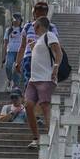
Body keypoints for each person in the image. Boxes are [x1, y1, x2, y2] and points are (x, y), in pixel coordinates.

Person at [24, 14, 62, 147]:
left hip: (46, 78)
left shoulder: (49, 35)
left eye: (34, 26)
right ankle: (36, 137)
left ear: (39, 25)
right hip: (33, 79)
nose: (33, 28)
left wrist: (56, 68)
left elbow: (59, 52)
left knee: (45, 106)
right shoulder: (40, 39)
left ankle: (51, 137)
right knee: (28, 105)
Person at [14, 1, 49, 85]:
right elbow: (22, 46)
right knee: (29, 83)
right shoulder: (28, 26)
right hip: (29, 59)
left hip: (43, 59)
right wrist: (18, 62)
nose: (40, 15)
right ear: (34, 14)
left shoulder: (50, 27)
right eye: (38, 13)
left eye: (42, 13)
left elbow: (55, 46)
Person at [2, 13, 24, 85]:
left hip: (20, 52)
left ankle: (16, 85)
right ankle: (10, 79)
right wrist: (4, 55)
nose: (16, 21)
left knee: (17, 68)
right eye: (14, 19)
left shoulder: (23, 30)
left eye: (18, 19)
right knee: (8, 66)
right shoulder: (8, 30)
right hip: (10, 51)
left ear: (20, 21)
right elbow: (5, 43)